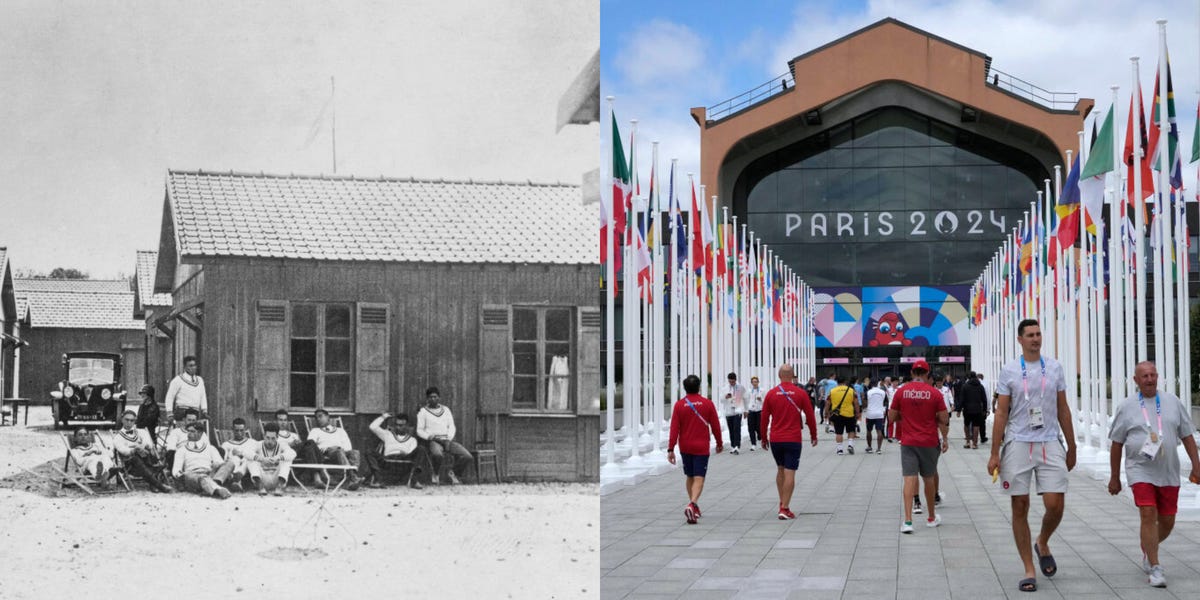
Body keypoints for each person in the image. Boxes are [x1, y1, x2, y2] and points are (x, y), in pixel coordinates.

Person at [986, 318, 1076, 594]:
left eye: (1038, 334)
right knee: (1020, 505)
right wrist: (994, 452)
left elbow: (1063, 408)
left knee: (1055, 503)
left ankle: (1043, 541)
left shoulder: (1055, 367)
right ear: (1020, 339)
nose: (1035, 339)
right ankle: (1028, 568)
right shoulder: (1010, 370)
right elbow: (1001, 412)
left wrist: (1071, 446)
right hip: (1018, 442)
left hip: (1049, 440)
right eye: (1030, 335)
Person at [1107, 361, 1200, 588]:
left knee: (1167, 521)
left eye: (1153, 375)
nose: (1149, 379)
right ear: (1135, 380)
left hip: (1168, 471)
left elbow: (1187, 435)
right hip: (1140, 469)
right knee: (1148, 513)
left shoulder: (1172, 402)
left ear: (1158, 377)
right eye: (1144, 376)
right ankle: (1156, 567)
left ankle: (1148, 546)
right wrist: (1114, 476)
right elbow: (1116, 443)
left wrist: (1197, 467)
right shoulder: (1127, 406)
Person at [888, 360, 948, 534]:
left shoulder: (901, 391)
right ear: (927, 374)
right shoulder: (935, 393)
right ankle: (931, 517)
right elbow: (944, 419)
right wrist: (934, 422)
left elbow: (891, 417)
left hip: (908, 441)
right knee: (928, 478)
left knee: (909, 479)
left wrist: (905, 418)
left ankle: (907, 521)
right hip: (929, 441)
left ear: (913, 373)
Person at [759, 364, 817, 520]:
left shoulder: (771, 394)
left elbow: (764, 418)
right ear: (793, 375)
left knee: (780, 469)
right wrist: (813, 434)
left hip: (776, 438)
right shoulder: (800, 393)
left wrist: (763, 438)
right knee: (790, 472)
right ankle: (785, 508)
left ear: (779, 375)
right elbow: (810, 415)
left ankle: (782, 502)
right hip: (793, 438)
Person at [667, 374, 723, 525]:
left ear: (684, 388)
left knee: (690, 476)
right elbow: (715, 425)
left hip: (685, 446)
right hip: (701, 446)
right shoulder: (707, 404)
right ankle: (692, 503)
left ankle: (694, 505)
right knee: (699, 477)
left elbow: (674, 428)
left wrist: (670, 449)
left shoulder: (679, 405)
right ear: (699, 387)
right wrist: (719, 442)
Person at [416, 387, 473, 485]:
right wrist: (429, 437)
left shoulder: (446, 410)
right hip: (434, 440)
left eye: (435, 397)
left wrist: (448, 439)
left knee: (467, 456)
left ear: (439, 398)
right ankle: (436, 473)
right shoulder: (423, 411)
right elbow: (419, 430)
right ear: (427, 399)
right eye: (430, 397)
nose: (433, 399)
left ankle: (454, 473)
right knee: (437, 455)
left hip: (446, 439)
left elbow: (452, 426)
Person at [362, 412, 431, 489]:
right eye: (396, 425)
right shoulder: (387, 434)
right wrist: (383, 417)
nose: (398, 427)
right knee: (369, 451)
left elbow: (411, 454)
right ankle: (378, 480)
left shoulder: (412, 440)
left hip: (404, 462)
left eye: (401, 425)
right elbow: (372, 427)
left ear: (407, 426)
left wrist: (404, 453)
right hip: (387, 460)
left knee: (421, 448)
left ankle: (414, 480)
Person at [112, 410, 172, 493]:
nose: (129, 422)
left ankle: (153, 483)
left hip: (146, 458)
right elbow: (123, 451)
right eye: (127, 420)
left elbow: (150, 445)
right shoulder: (118, 437)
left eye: (132, 420)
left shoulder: (141, 432)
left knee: (150, 453)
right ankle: (159, 485)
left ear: (134, 421)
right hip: (131, 464)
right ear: (122, 420)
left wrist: (142, 447)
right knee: (136, 458)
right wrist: (136, 449)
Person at [171, 421, 232, 499]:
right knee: (201, 477)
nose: (189, 434)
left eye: (192, 431)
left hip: (210, 474)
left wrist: (215, 466)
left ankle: (211, 486)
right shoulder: (182, 450)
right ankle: (217, 489)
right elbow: (176, 470)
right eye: (188, 431)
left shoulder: (210, 448)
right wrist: (181, 475)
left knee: (230, 463)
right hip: (193, 476)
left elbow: (220, 463)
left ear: (200, 433)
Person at [305, 409, 363, 491]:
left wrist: (343, 450)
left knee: (355, 452)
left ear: (327, 417)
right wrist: (329, 449)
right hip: (326, 453)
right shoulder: (315, 431)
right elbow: (310, 445)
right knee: (338, 450)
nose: (318, 419)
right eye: (316, 417)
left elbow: (348, 445)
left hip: (341, 452)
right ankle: (353, 478)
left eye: (320, 416)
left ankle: (351, 479)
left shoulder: (340, 430)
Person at [250, 423, 296, 496]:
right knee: (251, 459)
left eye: (273, 438)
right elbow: (246, 452)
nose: (270, 441)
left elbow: (293, 453)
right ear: (264, 436)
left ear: (277, 437)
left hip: (277, 479)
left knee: (287, 460)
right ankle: (260, 487)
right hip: (262, 479)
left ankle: (279, 487)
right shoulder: (258, 444)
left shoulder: (282, 444)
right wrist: (261, 459)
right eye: (267, 437)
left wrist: (278, 457)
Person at [219, 418, 260, 492]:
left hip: (247, 466)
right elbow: (223, 461)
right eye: (236, 430)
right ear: (232, 430)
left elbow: (258, 456)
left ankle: (237, 480)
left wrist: (242, 455)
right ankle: (237, 481)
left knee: (247, 459)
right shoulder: (226, 444)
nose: (239, 433)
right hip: (233, 468)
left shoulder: (252, 442)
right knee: (235, 458)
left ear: (245, 430)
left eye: (241, 430)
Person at [164, 355, 207, 421]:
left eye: (194, 365)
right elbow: (170, 396)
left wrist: (204, 410)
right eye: (190, 366)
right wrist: (169, 413)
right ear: (185, 367)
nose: (193, 367)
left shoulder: (200, 380)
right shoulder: (178, 380)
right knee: (181, 431)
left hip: (195, 412)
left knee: (193, 430)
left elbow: (203, 396)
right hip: (182, 412)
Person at [824, 376, 859, 454]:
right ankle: (850, 445)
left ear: (837, 382)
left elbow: (828, 403)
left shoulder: (832, 391)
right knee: (851, 430)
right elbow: (856, 403)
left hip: (837, 415)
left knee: (839, 432)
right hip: (849, 414)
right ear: (845, 382)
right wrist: (857, 413)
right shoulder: (851, 390)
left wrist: (826, 413)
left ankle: (840, 450)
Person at [959, 372, 989, 449]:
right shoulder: (980, 386)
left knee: (966, 424)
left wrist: (959, 410)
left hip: (967, 409)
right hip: (977, 409)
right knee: (976, 426)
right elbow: (984, 399)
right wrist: (985, 410)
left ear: (969, 377)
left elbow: (961, 399)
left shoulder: (965, 386)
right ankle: (975, 444)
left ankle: (968, 442)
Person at [721, 373, 746, 455]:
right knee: (731, 429)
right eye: (729, 381)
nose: (731, 383)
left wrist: (746, 410)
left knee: (736, 428)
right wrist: (726, 397)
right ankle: (733, 446)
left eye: (732, 381)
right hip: (729, 411)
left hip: (737, 411)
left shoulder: (740, 388)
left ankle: (737, 447)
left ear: (735, 380)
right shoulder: (725, 388)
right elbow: (721, 400)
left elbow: (745, 399)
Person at [863, 379, 887, 454]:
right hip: (880, 413)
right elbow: (885, 401)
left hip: (870, 414)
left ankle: (869, 447)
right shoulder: (883, 392)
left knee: (869, 430)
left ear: (871, 384)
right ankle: (879, 449)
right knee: (879, 431)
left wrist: (865, 407)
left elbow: (865, 402)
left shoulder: (868, 392)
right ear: (877, 384)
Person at [134, 384, 161, 451]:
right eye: (141, 394)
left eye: (144, 394)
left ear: (149, 395)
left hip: (149, 432)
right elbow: (138, 419)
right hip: (140, 430)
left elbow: (148, 421)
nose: (142, 395)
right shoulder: (142, 405)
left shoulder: (154, 407)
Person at [745, 376, 765, 450]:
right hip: (751, 411)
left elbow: (765, 401)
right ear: (751, 383)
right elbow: (746, 401)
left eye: (756, 381)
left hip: (759, 411)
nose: (754, 383)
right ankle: (753, 444)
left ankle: (760, 440)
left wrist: (761, 399)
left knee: (758, 427)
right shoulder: (749, 391)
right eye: (753, 382)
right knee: (751, 428)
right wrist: (746, 411)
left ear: (758, 382)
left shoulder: (762, 390)